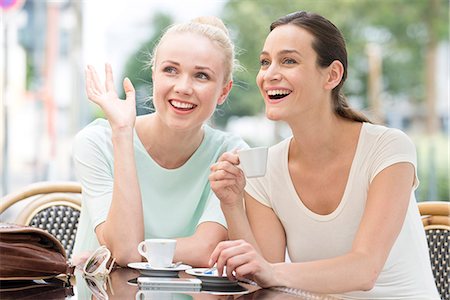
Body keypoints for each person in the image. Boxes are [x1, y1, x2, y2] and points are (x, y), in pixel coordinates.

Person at [208, 11, 440, 299]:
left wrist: (271, 271)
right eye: (265, 62)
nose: (269, 74)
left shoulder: (388, 148)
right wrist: (231, 203)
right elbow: (260, 277)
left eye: (289, 61)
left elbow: (365, 269)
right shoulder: (264, 170)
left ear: (332, 75)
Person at [72, 16, 248, 268]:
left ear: (223, 91)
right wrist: (122, 132)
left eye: (201, 76)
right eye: (170, 70)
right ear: (154, 75)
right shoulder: (98, 141)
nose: (183, 87)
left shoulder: (231, 153)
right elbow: (123, 248)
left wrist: (134, 252)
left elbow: (206, 249)